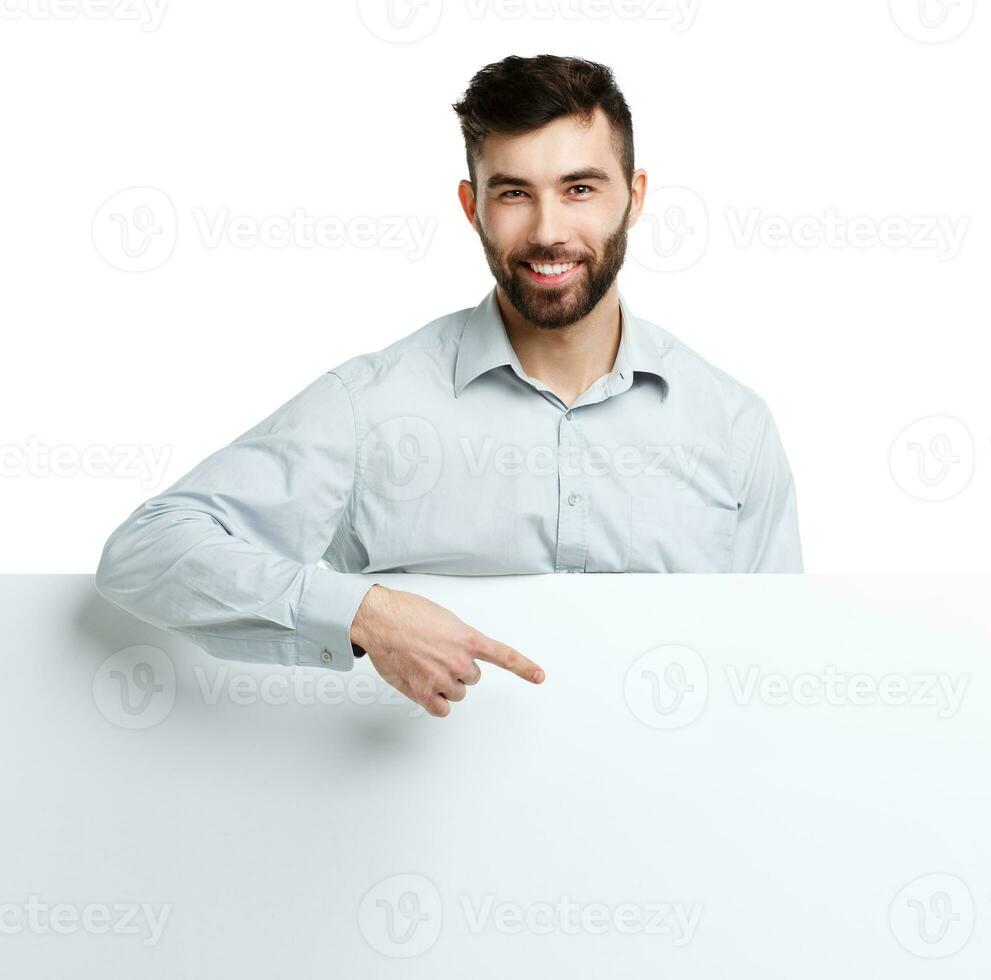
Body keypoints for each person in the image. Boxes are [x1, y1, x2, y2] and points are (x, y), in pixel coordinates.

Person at [95, 54, 803, 720]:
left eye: (579, 188)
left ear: (635, 197)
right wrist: (361, 611)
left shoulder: (732, 426)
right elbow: (146, 550)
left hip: (673, 829)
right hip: (419, 839)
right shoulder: (371, 407)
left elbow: (780, 673)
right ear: (471, 206)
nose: (548, 230)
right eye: (513, 193)